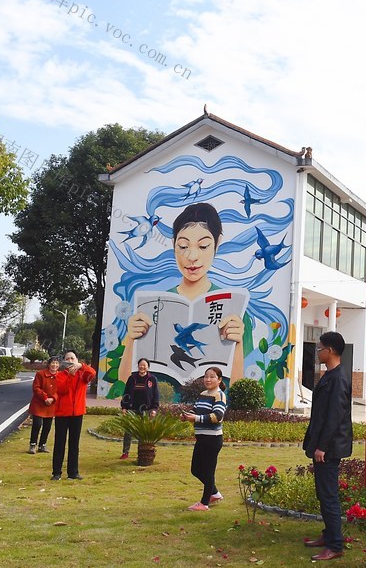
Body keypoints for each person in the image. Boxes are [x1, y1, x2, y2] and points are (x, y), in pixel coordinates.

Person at [120, 203, 246, 385]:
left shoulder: (234, 309)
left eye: (203, 246)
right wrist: (132, 340)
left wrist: (238, 344)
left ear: (217, 244)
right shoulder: (152, 305)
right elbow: (124, 381)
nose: (192, 256)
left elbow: (238, 388)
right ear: (173, 245)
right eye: (183, 246)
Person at [301, 331, 352, 561]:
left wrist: (322, 446)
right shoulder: (330, 375)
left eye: (320, 347)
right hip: (322, 445)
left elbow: (334, 417)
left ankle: (335, 545)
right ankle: (328, 534)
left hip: (329, 448)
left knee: (329, 495)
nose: (318, 351)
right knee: (323, 494)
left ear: (330, 350)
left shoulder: (339, 379)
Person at [181, 366, 226, 511]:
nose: (208, 379)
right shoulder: (203, 394)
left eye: (212, 376)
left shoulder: (220, 395)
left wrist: (196, 418)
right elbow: (196, 410)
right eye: (206, 376)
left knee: (208, 471)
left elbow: (217, 417)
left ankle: (204, 503)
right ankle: (215, 493)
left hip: (212, 439)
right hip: (201, 438)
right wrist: (188, 415)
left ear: (219, 380)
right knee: (196, 469)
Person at [52, 350, 96, 480]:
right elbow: (62, 390)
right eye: (67, 358)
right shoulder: (60, 375)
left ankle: (73, 472)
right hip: (62, 413)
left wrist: (81, 366)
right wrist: (70, 375)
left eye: (72, 358)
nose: (70, 361)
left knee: (74, 443)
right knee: (59, 442)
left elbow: (92, 373)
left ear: (76, 360)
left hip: (77, 413)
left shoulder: (83, 374)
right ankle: (56, 472)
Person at [119, 357, 160, 460]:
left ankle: (141, 452)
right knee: (128, 431)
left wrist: (154, 409)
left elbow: (156, 395)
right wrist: (124, 407)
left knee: (143, 432)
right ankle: (125, 452)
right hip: (132, 409)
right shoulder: (132, 378)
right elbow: (126, 393)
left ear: (148, 367)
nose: (142, 367)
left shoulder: (152, 379)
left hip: (146, 410)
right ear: (138, 366)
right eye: (140, 365)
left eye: (144, 365)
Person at [28, 356, 60, 454]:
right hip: (39, 403)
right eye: (53, 363)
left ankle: (42, 445)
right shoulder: (40, 374)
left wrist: (53, 398)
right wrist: (45, 397)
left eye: (56, 363)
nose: (54, 365)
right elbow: (36, 388)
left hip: (51, 404)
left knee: (47, 426)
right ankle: (33, 444)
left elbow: (61, 390)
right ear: (49, 364)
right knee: (37, 424)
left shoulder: (61, 376)